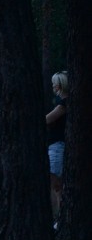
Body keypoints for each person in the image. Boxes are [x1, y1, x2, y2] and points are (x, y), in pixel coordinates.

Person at [45, 71, 68, 223]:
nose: (53, 86)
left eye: (54, 83)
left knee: (56, 185)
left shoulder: (63, 105)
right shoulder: (63, 103)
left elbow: (46, 120)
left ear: (59, 85)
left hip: (57, 148)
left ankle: (60, 220)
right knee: (54, 185)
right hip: (55, 147)